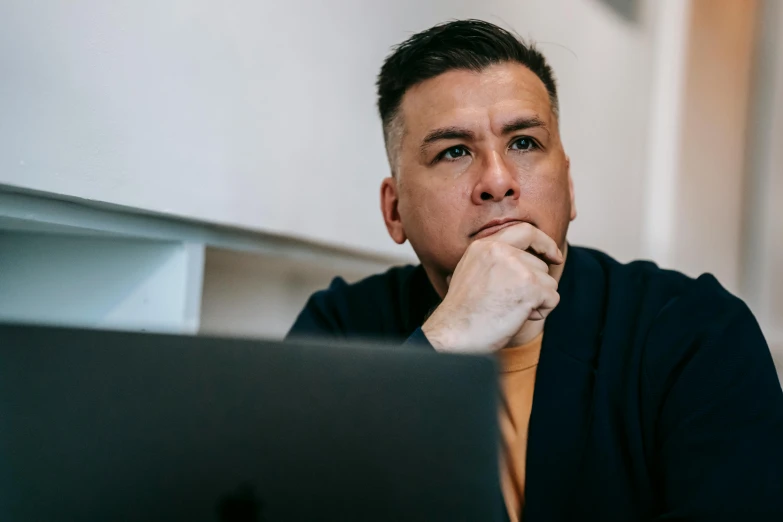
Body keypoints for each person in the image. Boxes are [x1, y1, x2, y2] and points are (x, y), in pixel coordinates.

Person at [287, 19, 783, 521]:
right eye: (454, 151)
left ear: (569, 187)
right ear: (395, 211)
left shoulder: (698, 332)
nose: (498, 181)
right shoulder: (341, 328)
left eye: (523, 142)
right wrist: (443, 344)